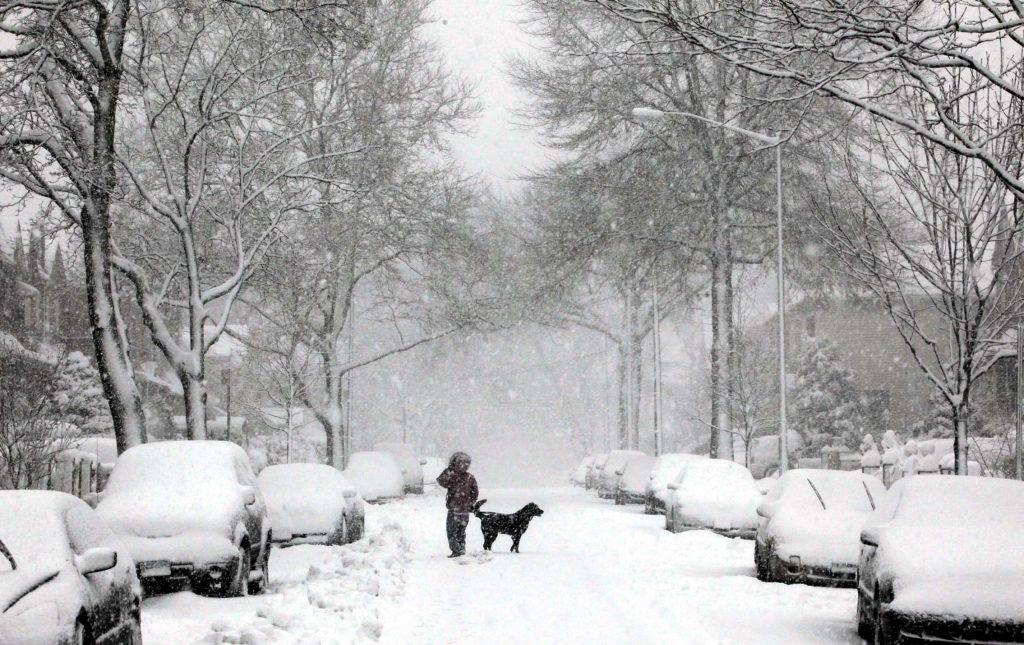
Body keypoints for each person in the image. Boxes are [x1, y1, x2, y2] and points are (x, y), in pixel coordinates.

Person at [436, 451, 478, 557]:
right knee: (461, 532)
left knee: (452, 532)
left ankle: (456, 550)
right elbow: (475, 493)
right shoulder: (470, 477)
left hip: (454, 509)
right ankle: (461, 549)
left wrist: (449, 469)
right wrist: (469, 503)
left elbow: (441, 481)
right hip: (465, 511)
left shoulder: (452, 475)